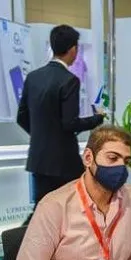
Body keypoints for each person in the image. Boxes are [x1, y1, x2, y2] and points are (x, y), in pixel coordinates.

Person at [13, 125, 131, 260]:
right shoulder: (55, 205)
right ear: (88, 158)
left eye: (126, 161)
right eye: (112, 158)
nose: (121, 167)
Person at [18, 24, 105, 206]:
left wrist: (41, 136)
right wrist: (97, 118)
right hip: (63, 161)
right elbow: (70, 123)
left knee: (42, 208)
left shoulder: (33, 77)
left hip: (39, 159)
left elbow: (21, 117)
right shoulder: (69, 80)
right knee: (72, 207)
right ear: (73, 49)